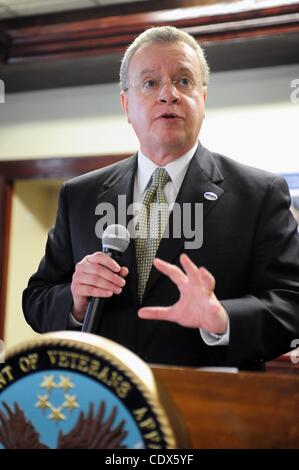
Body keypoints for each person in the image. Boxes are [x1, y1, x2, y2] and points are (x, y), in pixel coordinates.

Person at [22, 26, 299, 371]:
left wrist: (223, 319)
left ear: (203, 98)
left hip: (210, 406)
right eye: (150, 83)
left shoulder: (259, 194)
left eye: (184, 81)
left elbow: (291, 304)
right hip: (103, 404)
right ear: (126, 104)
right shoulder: (80, 195)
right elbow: (36, 298)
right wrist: (75, 301)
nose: (169, 94)